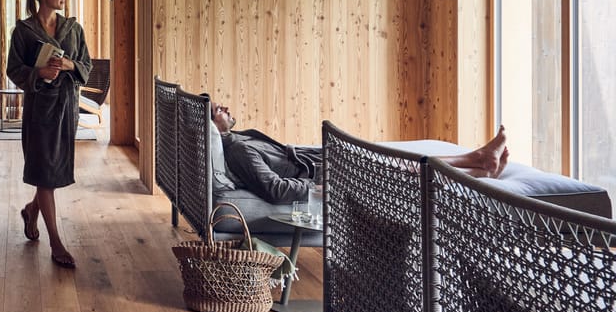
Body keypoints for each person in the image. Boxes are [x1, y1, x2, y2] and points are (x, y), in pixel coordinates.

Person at [211, 103, 509, 204]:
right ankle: (478, 167)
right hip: (325, 173)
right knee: (403, 171)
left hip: (321, 161)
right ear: (212, 125)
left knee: (399, 162)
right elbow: (274, 189)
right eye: (217, 110)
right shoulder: (238, 149)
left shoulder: (240, 138)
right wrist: (318, 189)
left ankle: (477, 163)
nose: (225, 107)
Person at [6, 0, 92, 269]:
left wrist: (69, 64)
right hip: (40, 108)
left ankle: (32, 211)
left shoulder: (73, 28)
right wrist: (39, 73)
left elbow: (86, 65)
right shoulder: (24, 31)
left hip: (66, 107)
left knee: (52, 170)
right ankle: (56, 243)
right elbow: (13, 69)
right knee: (44, 173)